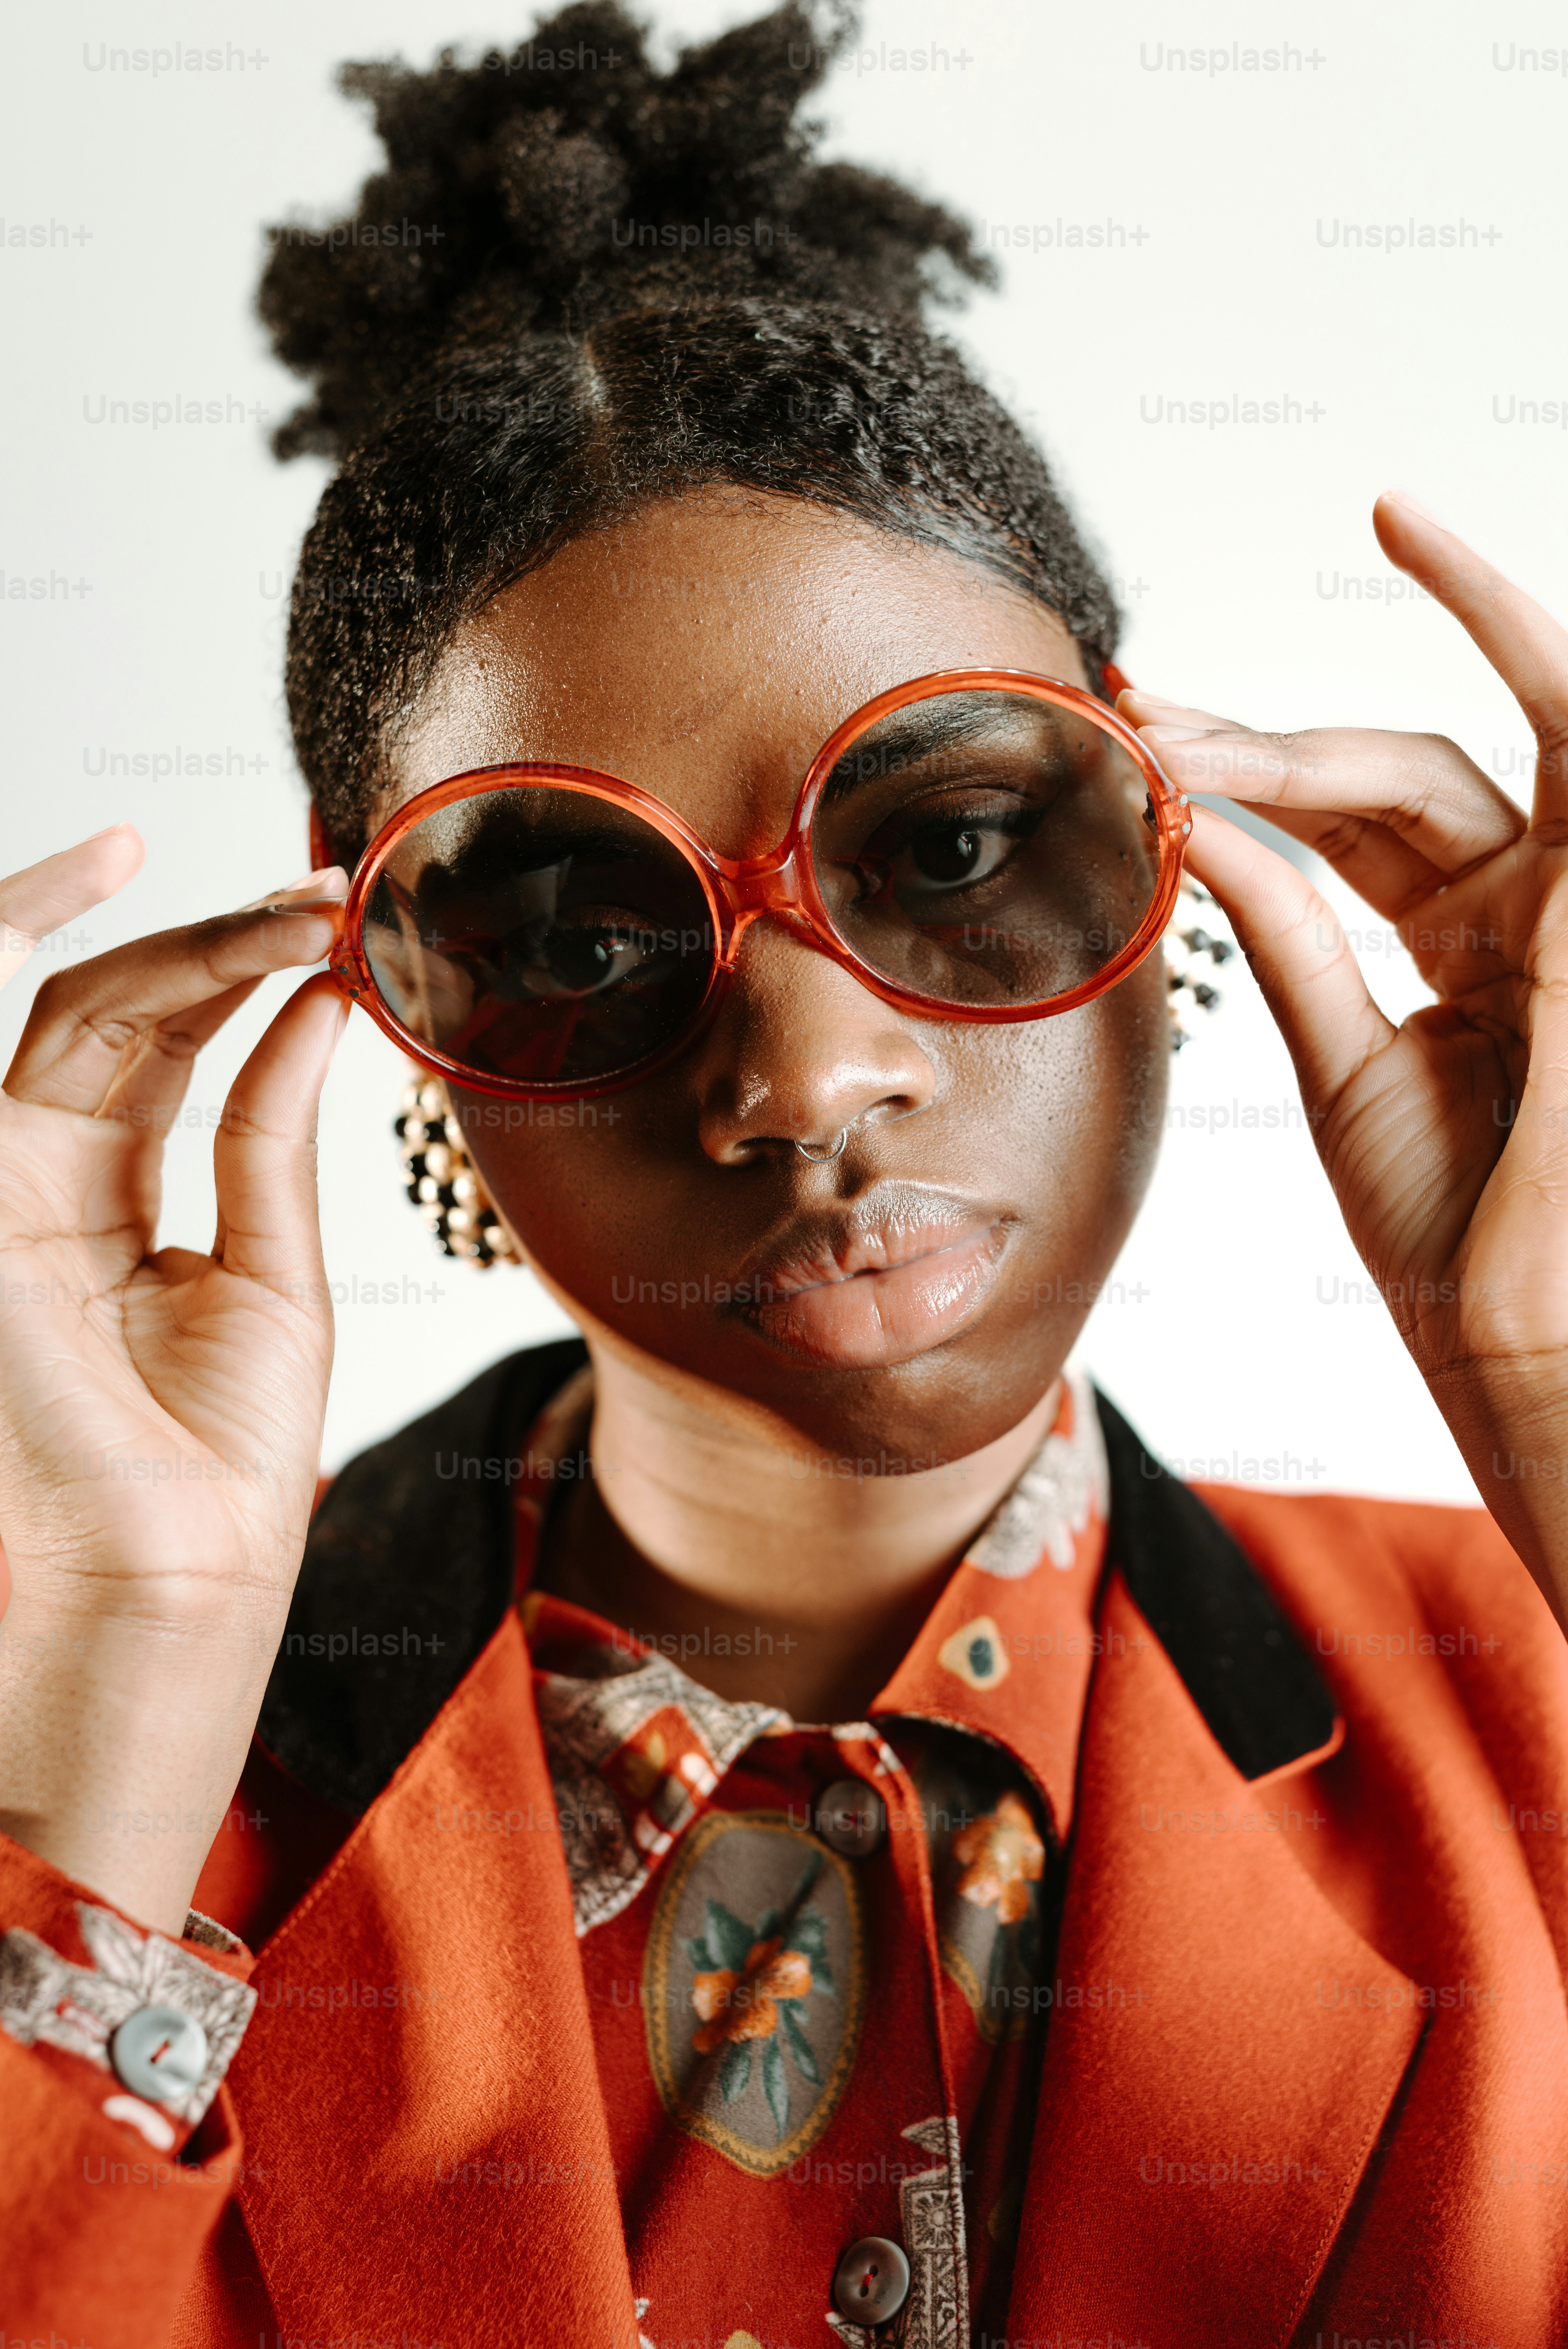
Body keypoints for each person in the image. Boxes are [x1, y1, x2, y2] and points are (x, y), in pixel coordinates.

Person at [3, 6, 1567, 2343]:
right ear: (379, 965)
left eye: (946, 844)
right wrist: (89, 1820)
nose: (812, 1078)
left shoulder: (1535, 1692)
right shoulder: (83, 1806)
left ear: (1158, 802)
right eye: (585, 935)